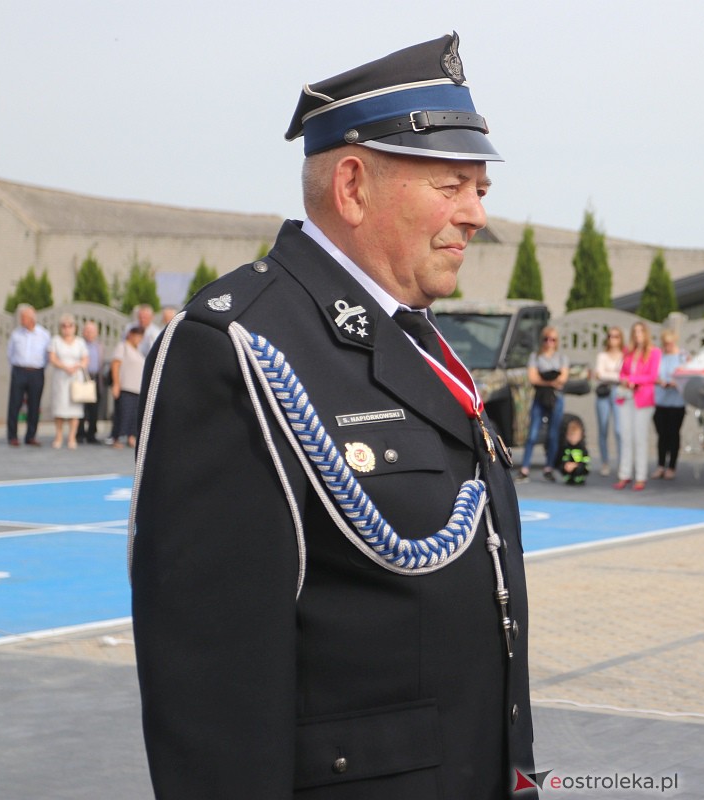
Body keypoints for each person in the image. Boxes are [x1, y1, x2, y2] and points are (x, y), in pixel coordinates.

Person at [129, 33, 535, 798]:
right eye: (453, 186)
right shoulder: (237, 346)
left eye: (480, 188)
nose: (477, 214)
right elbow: (213, 694)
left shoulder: (415, 341)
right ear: (353, 186)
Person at [518, 325, 568, 482]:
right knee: (532, 434)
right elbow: (532, 378)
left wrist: (544, 378)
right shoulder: (535, 356)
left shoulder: (561, 357)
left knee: (553, 434)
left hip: (556, 398)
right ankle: (525, 467)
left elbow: (562, 380)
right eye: (546, 339)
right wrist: (551, 379)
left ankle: (549, 467)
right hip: (540, 398)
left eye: (553, 340)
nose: (549, 342)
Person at [614, 321, 660, 490]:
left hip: (643, 399)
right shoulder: (628, 352)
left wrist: (633, 380)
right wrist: (625, 380)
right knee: (625, 436)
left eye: (641, 331)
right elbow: (622, 372)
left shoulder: (654, 352)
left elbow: (652, 376)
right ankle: (624, 474)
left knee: (639, 437)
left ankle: (641, 476)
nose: (638, 334)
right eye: (635, 331)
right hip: (626, 397)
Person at [5, 303, 50, 447]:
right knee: (15, 404)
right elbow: (10, 354)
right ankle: (12, 436)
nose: (21, 320)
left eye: (23, 317)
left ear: (31, 318)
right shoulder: (16, 334)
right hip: (19, 371)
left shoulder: (44, 335)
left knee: (34, 405)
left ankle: (31, 436)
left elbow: (47, 357)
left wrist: (38, 368)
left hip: (36, 373)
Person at [46, 313, 89, 449]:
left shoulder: (80, 342)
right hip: (61, 378)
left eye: (70, 326)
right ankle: (58, 436)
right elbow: (52, 358)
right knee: (60, 408)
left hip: (75, 378)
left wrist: (77, 366)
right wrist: (65, 367)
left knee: (74, 409)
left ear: (74, 327)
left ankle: (72, 437)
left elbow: (85, 359)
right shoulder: (55, 340)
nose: (67, 328)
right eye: (64, 326)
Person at [651, 330, 686, 480]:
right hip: (661, 402)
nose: (667, 347)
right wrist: (659, 381)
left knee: (673, 434)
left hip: (677, 403)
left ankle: (672, 465)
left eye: (670, 344)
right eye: (665, 344)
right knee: (662, 435)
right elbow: (653, 373)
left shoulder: (682, 356)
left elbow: (686, 376)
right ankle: (660, 465)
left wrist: (675, 383)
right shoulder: (659, 356)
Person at [592, 327, 624, 476]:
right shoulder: (602, 355)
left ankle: (622, 462)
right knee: (603, 428)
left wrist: (607, 375)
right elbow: (599, 374)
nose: (613, 339)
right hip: (604, 393)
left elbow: (623, 376)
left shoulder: (624, 356)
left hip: (618, 392)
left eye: (616, 336)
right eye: (610, 336)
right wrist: (614, 375)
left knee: (619, 429)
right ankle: (605, 462)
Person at [109, 326, 145, 449]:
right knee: (123, 413)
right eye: (136, 335)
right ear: (130, 334)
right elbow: (115, 365)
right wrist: (116, 384)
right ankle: (117, 437)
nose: (138, 338)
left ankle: (131, 436)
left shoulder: (138, 350)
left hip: (137, 388)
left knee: (134, 414)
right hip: (125, 387)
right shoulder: (122, 347)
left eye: (140, 336)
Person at [78, 321, 104, 443]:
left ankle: (92, 434)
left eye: (92, 331)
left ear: (96, 333)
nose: (89, 333)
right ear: (83, 332)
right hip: (82, 378)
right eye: (87, 331)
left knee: (94, 409)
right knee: (80, 408)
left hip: (95, 379)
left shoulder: (99, 346)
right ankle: (79, 434)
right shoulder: (79, 345)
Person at [555, 415, 591, 486]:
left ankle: (578, 477)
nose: (573, 439)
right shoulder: (566, 447)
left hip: (579, 468)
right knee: (561, 464)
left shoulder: (582, 449)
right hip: (569, 470)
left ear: (580, 436)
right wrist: (566, 464)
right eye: (571, 436)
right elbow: (563, 458)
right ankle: (569, 476)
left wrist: (575, 465)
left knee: (581, 467)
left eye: (575, 436)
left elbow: (586, 462)